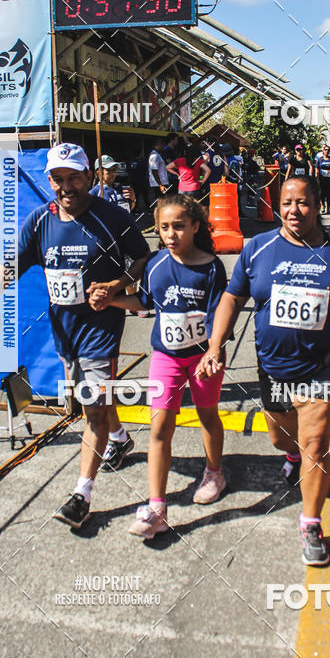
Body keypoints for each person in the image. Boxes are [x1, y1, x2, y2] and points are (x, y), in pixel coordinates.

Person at [196, 176, 330, 566]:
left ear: (317, 206)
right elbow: (233, 296)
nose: (293, 211)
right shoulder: (258, 248)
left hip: (324, 366)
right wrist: (215, 344)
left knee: (315, 443)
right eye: (286, 203)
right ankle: (292, 456)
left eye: (302, 203)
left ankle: (311, 523)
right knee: (283, 439)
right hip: (273, 366)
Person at [0, 143, 150, 529]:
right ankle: (119, 438)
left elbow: (142, 258)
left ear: (89, 176)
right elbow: (10, 265)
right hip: (65, 332)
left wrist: (117, 284)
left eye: (74, 177)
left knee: (90, 407)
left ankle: (81, 494)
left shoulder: (113, 217)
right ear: (50, 181)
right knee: (92, 398)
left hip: (100, 331)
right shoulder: (40, 221)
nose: (66, 186)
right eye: (58, 179)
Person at [103, 194, 227, 538]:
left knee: (208, 416)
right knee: (159, 428)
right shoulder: (156, 263)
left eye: (179, 226)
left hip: (203, 358)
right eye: (164, 227)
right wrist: (110, 299)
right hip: (166, 358)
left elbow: (222, 318)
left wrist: (212, 352)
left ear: (195, 227)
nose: (171, 234)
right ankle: (156, 507)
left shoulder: (212, 267)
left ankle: (215, 472)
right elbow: (143, 302)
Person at [314, 144, 330, 214]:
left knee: (328, 194)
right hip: (322, 179)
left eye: (328, 150)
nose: (326, 151)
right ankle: (322, 205)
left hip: (329, 179)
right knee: (321, 194)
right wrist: (317, 179)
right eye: (325, 150)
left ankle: (328, 208)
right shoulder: (320, 159)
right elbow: (317, 169)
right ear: (323, 151)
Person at [148, 137, 170, 204]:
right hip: (159, 184)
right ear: (159, 144)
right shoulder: (154, 156)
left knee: (163, 202)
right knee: (161, 202)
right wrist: (160, 185)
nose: (164, 147)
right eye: (163, 145)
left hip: (161, 183)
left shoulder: (157, 155)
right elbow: (154, 171)